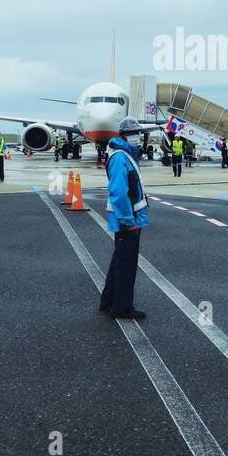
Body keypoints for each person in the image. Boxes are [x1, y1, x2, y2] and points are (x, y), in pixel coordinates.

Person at [101, 117, 150, 320]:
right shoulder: (121, 157)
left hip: (126, 218)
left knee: (119, 260)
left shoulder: (124, 154)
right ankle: (122, 307)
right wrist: (130, 222)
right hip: (127, 220)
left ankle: (108, 299)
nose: (136, 137)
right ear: (122, 135)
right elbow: (119, 193)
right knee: (126, 265)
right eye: (132, 133)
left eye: (138, 133)